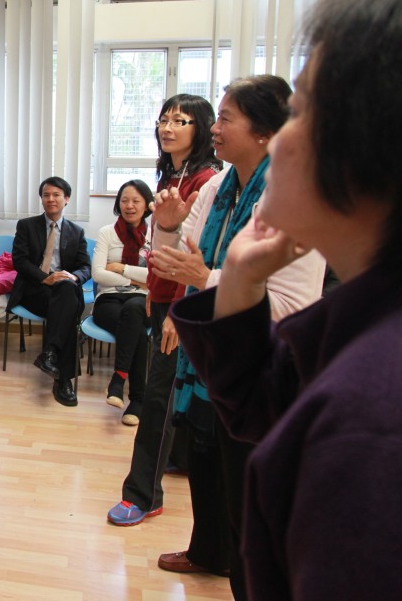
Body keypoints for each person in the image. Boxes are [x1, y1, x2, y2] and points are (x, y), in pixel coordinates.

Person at [171, 0, 402, 600]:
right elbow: (260, 404)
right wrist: (242, 276)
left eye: (299, 112)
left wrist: (217, 277)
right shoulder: (362, 321)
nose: (281, 139)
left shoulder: (371, 422)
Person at [148, 75, 325, 596]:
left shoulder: (293, 195)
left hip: (265, 365)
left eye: (226, 118)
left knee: (249, 491)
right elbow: (174, 262)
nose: (215, 128)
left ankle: (248, 576)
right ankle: (209, 551)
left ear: (265, 132)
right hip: (214, 353)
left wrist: (208, 280)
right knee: (206, 459)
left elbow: (291, 306)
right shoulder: (218, 188)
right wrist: (168, 226)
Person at [107, 94, 221, 526]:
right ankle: (176, 459)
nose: (167, 127)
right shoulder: (173, 174)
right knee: (174, 392)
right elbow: (162, 248)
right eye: (163, 120)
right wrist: (155, 292)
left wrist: (176, 309)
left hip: (184, 306)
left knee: (158, 398)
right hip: (165, 299)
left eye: (180, 120)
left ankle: (142, 494)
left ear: (202, 128)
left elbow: (197, 255)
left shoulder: (206, 180)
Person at [9, 176, 91, 406]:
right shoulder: (26, 226)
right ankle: (63, 379)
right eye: (46, 195)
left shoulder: (76, 232)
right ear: (41, 199)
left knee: (67, 292)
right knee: (68, 309)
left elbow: (86, 267)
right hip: (34, 290)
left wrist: (74, 277)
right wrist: (46, 278)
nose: (51, 199)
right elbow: (19, 261)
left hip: (63, 291)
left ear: (67, 199)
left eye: (56, 195)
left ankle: (51, 356)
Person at [91, 179, 154, 426]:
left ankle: (118, 380)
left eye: (136, 200)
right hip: (108, 299)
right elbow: (98, 274)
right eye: (125, 200)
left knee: (134, 309)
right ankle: (137, 400)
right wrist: (136, 280)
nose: (129, 206)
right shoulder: (107, 232)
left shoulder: (157, 234)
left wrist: (121, 268)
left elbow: (157, 276)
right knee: (136, 330)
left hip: (142, 301)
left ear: (146, 204)